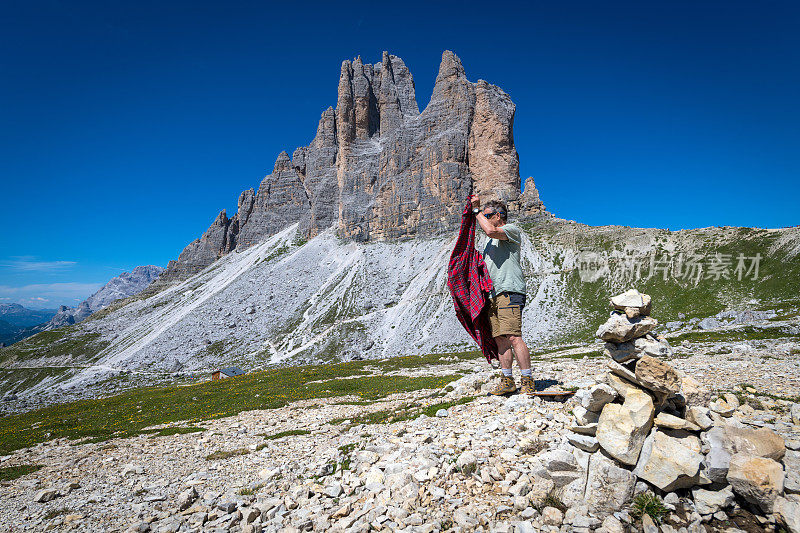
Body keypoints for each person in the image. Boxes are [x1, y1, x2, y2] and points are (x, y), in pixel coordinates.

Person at [471, 196, 534, 396]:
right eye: (484, 215)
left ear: (499, 216)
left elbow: (490, 230)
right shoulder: (490, 242)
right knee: (500, 339)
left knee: (514, 336)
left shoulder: (511, 230)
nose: (486, 219)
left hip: (509, 291)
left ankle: (527, 379)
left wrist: (475, 211)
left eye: (488, 215)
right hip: (492, 294)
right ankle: (507, 380)